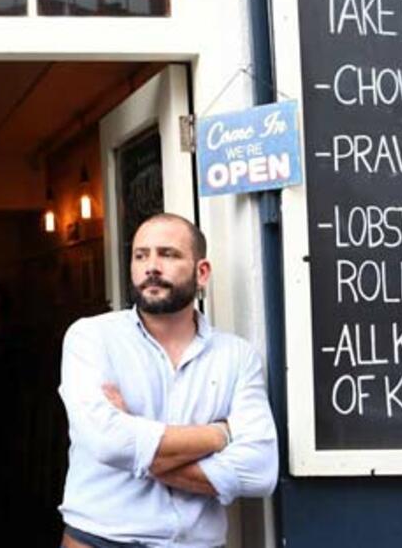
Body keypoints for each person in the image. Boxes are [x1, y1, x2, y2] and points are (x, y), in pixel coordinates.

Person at [58, 213, 278, 548]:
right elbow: (107, 442)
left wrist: (135, 439)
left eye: (168, 254)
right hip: (99, 540)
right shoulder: (91, 337)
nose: (151, 267)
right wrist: (219, 434)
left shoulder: (236, 356)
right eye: (140, 256)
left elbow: (259, 471)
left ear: (201, 272)